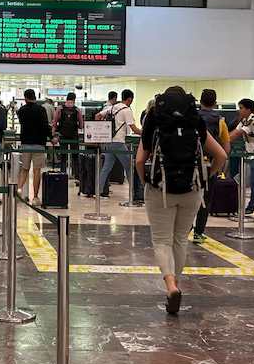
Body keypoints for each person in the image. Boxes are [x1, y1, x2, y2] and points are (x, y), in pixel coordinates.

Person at [136, 86, 227, 315]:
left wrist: (145, 180)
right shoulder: (194, 121)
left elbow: (139, 161)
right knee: (180, 239)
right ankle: (176, 283)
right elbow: (222, 155)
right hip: (192, 188)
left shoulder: (154, 120)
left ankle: (170, 286)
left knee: (161, 240)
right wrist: (207, 178)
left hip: (161, 189)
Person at [192, 89, 231, 243]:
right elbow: (225, 149)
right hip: (208, 164)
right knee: (205, 200)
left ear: (200, 102)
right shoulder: (220, 121)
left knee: (188, 198)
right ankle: (199, 233)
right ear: (215, 103)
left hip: (190, 164)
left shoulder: (192, 117)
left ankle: (184, 229)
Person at [96, 89, 144, 204]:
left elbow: (98, 115)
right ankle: (134, 193)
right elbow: (134, 129)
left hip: (108, 142)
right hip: (118, 143)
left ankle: (98, 191)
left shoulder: (113, 107)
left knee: (106, 168)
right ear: (130, 99)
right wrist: (146, 133)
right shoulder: (126, 110)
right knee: (129, 167)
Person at [15, 89, 52, 205]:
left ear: (25, 98)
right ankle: (35, 197)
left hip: (25, 143)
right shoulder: (41, 109)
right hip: (39, 144)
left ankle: (19, 192)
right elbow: (45, 126)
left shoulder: (21, 110)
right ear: (35, 97)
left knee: (24, 170)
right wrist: (51, 137)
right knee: (37, 171)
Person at [53, 92, 84, 177]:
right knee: (75, 156)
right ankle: (77, 175)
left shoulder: (60, 108)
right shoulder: (77, 110)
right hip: (74, 135)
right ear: (74, 99)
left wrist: (54, 134)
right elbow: (81, 125)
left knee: (63, 156)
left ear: (67, 99)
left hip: (63, 135)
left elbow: (55, 122)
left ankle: (63, 174)